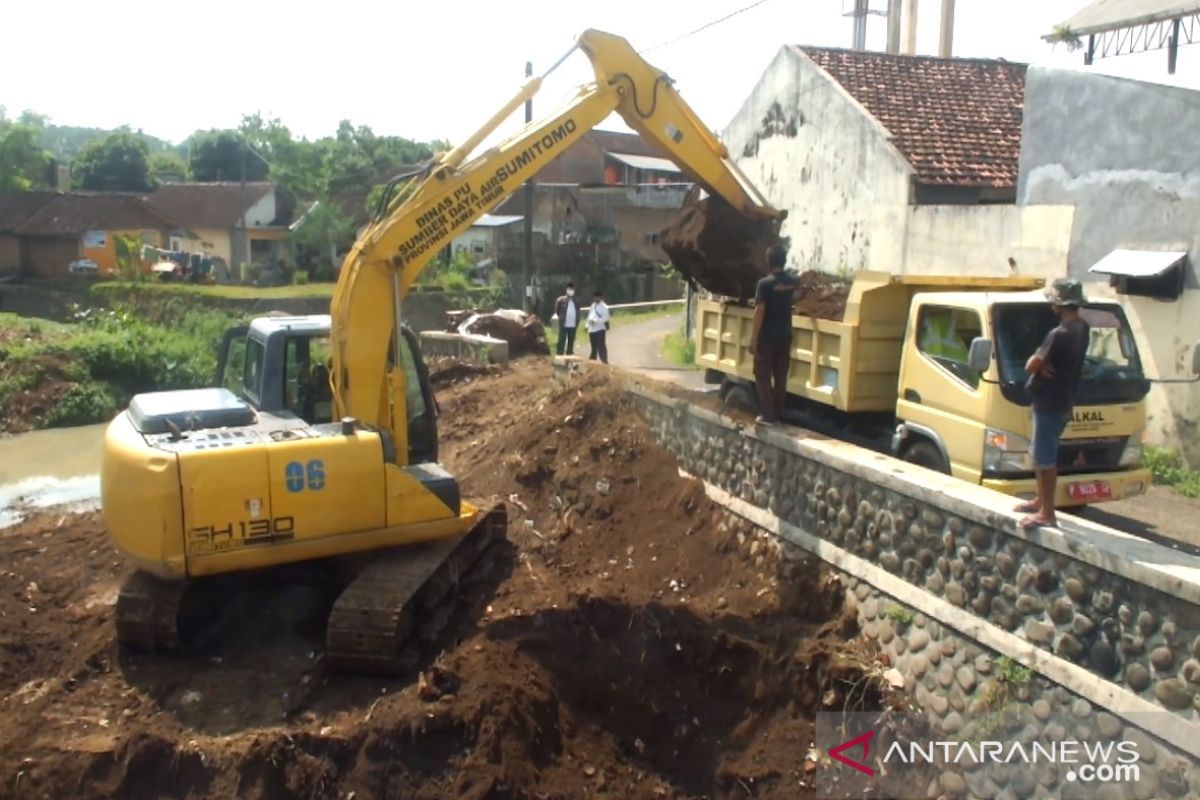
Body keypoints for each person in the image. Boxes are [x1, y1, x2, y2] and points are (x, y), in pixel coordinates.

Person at [1016, 278, 1090, 529]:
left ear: (1060, 304)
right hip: (1063, 399)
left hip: (1049, 402)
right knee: (1042, 455)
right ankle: (1040, 500)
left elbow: (1030, 365)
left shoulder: (1059, 334)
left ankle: (1047, 512)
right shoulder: (1083, 329)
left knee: (1044, 460)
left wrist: (1040, 364)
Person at [748, 245, 797, 426]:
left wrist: (753, 339)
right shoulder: (792, 282)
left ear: (768, 261)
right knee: (781, 376)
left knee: (762, 375)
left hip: (767, 339)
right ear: (784, 260)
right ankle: (777, 413)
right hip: (785, 337)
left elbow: (759, 311)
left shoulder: (765, 284)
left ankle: (769, 416)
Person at [554, 282, 583, 356]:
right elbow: (557, 311)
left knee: (571, 342)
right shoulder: (561, 300)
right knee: (561, 341)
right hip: (563, 325)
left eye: (572, 289)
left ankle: (569, 357)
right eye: (570, 289)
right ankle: (559, 356)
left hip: (573, 325)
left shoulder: (577, 301)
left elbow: (578, 311)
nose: (571, 291)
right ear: (566, 290)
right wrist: (561, 318)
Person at [586, 289, 610, 364]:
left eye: (597, 297)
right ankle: (592, 362)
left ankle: (604, 361)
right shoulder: (593, 306)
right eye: (595, 297)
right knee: (593, 347)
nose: (596, 299)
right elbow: (589, 316)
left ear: (601, 297)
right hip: (592, 330)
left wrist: (595, 321)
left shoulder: (605, 307)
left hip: (600, 329)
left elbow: (605, 318)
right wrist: (587, 325)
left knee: (601, 346)